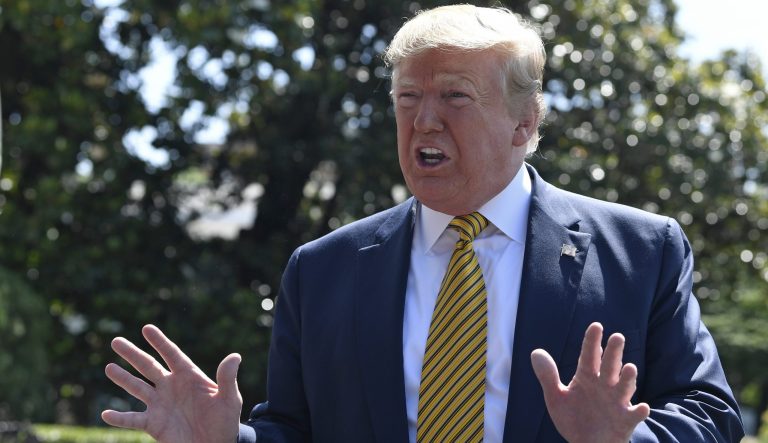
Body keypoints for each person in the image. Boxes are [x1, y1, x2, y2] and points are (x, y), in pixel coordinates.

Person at [102, 5, 744, 442]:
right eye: (408, 99)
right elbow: (293, 429)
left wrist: (629, 437)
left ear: (525, 123)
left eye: (455, 97)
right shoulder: (322, 269)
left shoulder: (642, 249)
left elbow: (714, 415)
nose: (424, 121)